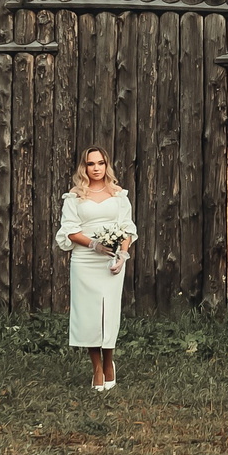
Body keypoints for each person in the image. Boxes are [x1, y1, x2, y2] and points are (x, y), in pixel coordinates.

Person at [57, 148, 136, 391]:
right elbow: (69, 229)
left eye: (100, 163)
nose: (96, 168)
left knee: (108, 313)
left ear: (106, 165)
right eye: (91, 164)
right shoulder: (75, 196)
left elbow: (126, 228)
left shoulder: (119, 194)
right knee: (89, 315)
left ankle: (110, 361)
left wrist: (122, 256)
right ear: (85, 167)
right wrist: (94, 244)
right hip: (85, 261)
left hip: (111, 261)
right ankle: (97, 368)